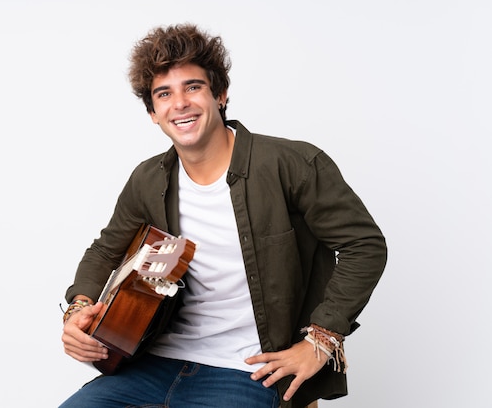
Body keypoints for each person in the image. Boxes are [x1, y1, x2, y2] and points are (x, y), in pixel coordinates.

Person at [60, 23, 387, 408]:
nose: (179, 103)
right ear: (153, 112)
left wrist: (319, 342)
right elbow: (105, 251)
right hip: (153, 363)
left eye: (193, 87)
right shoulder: (149, 179)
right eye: (164, 94)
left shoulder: (290, 164)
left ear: (220, 94)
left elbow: (363, 245)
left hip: (247, 370)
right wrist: (78, 310)